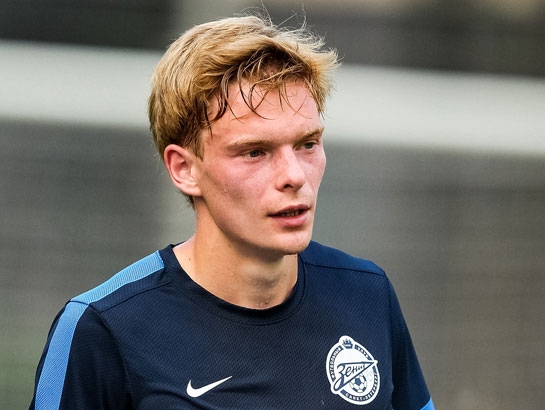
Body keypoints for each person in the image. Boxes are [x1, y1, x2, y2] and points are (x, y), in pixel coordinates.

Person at [30, 13, 434, 410]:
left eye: (307, 144)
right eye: (255, 152)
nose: (294, 176)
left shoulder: (367, 294)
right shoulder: (102, 328)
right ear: (184, 169)